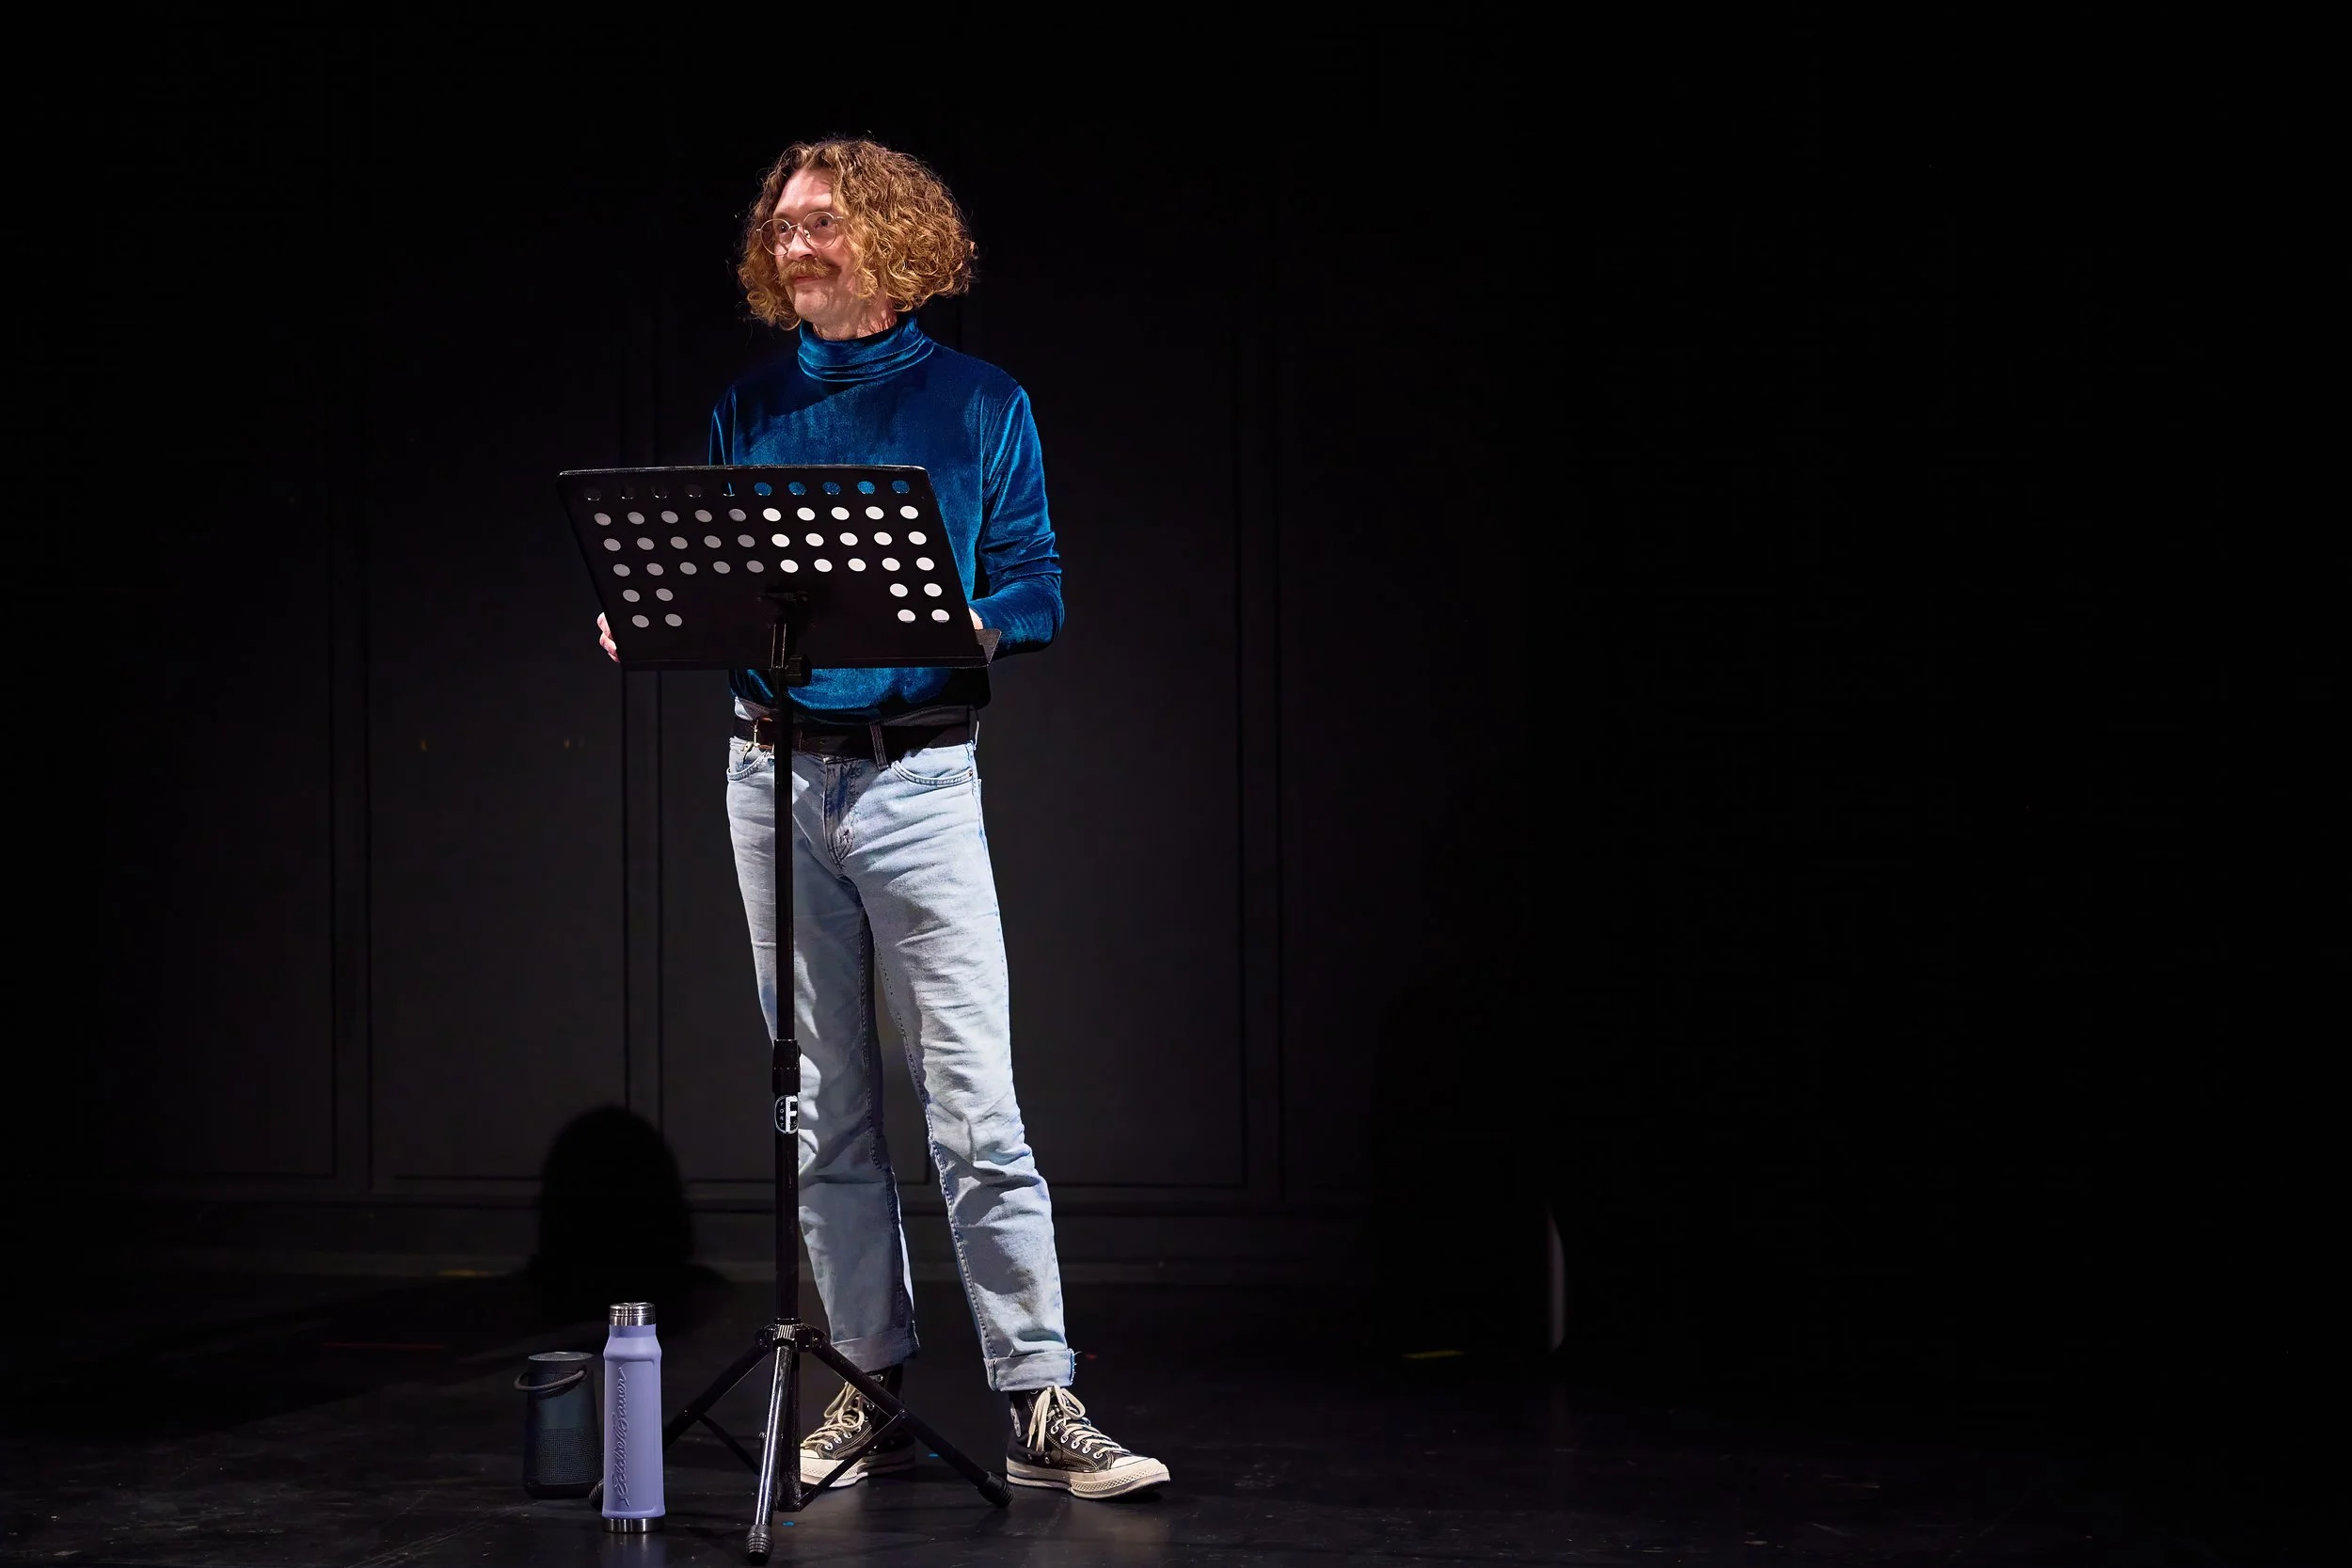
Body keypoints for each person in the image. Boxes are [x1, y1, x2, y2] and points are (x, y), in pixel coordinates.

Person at [595, 136, 1167, 1500]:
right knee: (824, 1111)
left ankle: (1039, 1396)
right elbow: (729, 583)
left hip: (915, 779)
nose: (793, 244)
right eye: (780, 226)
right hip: (773, 773)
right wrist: (657, 618)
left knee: (974, 1105)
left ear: (894, 242)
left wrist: (971, 621)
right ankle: (861, 1377)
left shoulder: (980, 402)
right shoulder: (750, 406)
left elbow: (1036, 581)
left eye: (820, 224)